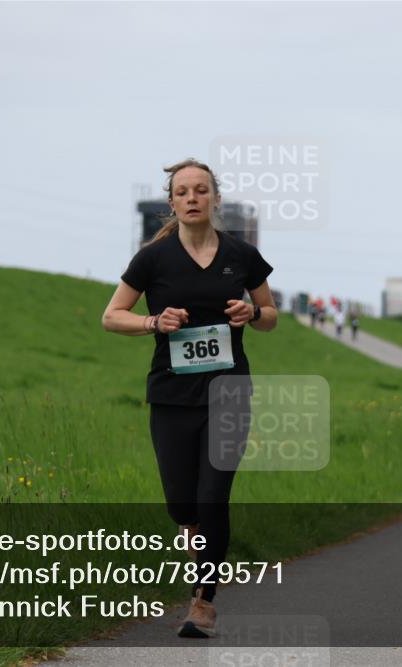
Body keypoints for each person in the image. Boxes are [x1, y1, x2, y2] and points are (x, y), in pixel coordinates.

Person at [102, 158, 277, 638]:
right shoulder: (152, 259)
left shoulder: (242, 254)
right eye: (183, 192)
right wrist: (153, 322)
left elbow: (269, 315)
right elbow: (111, 315)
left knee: (213, 497)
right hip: (171, 393)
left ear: (216, 199)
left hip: (229, 391)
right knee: (182, 504)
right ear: (173, 202)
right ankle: (194, 540)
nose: (193, 198)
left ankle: (203, 601)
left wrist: (251, 312)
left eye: (202, 190)